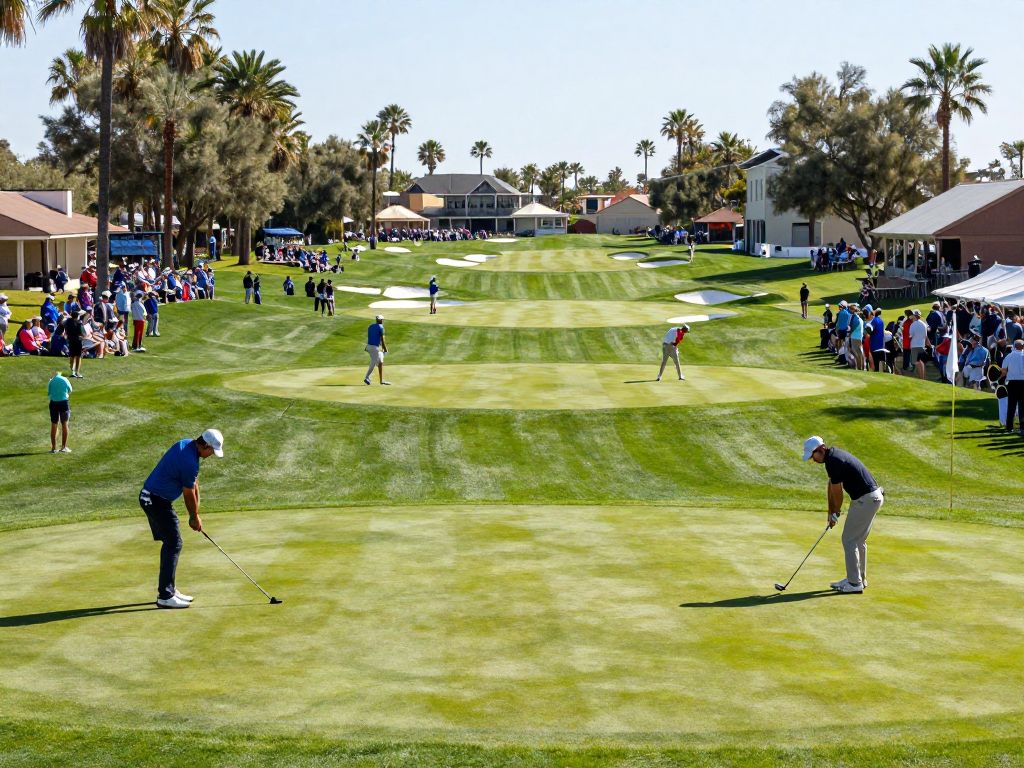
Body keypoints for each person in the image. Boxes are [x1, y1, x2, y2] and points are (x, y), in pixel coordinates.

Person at [138, 429, 224, 609]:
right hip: (153, 499)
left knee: (172, 542)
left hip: (157, 499)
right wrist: (193, 517)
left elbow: (194, 484)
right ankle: (165, 595)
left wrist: (196, 514)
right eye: (212, 451)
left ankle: (169, 589)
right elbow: (187, 493)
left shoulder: (187, 445)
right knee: (173, 543)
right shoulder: (189, 461)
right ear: (205, 445)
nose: (211, 455)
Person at [802, 436, 883, 594]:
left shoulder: (833, 461)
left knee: (849, 539)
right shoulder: (833, 458)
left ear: (821, 449)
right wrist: (830, 512)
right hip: (872, 498)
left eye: (813, 456)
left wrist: (836, 513)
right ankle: (858, 578)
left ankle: (854, 583)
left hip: (866, 500)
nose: (813, 460)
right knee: (858, 540)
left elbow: (838, 493)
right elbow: (831, 487)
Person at [1000, 339, 1024, 433]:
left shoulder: (1009, 356)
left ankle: (1009, 428)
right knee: (1022, 407)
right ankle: (1022, 428)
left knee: (1011, 406)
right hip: (1023, 383)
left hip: (1013, 383)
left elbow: (1003, 371)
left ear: (1014, 346)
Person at [47, 370, 73, 453]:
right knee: (65, 424)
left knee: (54, 425)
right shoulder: (65, 379)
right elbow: (70, 390)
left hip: (53, 403)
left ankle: (54, 448)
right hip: (63, 403)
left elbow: (49, 393)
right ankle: (63, 447)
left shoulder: (51, 381)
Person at [364, 314, 389, 385]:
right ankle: (367, 377)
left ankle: (381, 381)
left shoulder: (370, 326)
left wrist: (382, 348)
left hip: (369, 347)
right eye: (382, 319)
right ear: (380, 320)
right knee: (374, 362)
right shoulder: (381, 327)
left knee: (380, 361)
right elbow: (382, 340)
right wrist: (385, 349)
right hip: (374, 348)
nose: (383, 321)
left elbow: (373, 337)